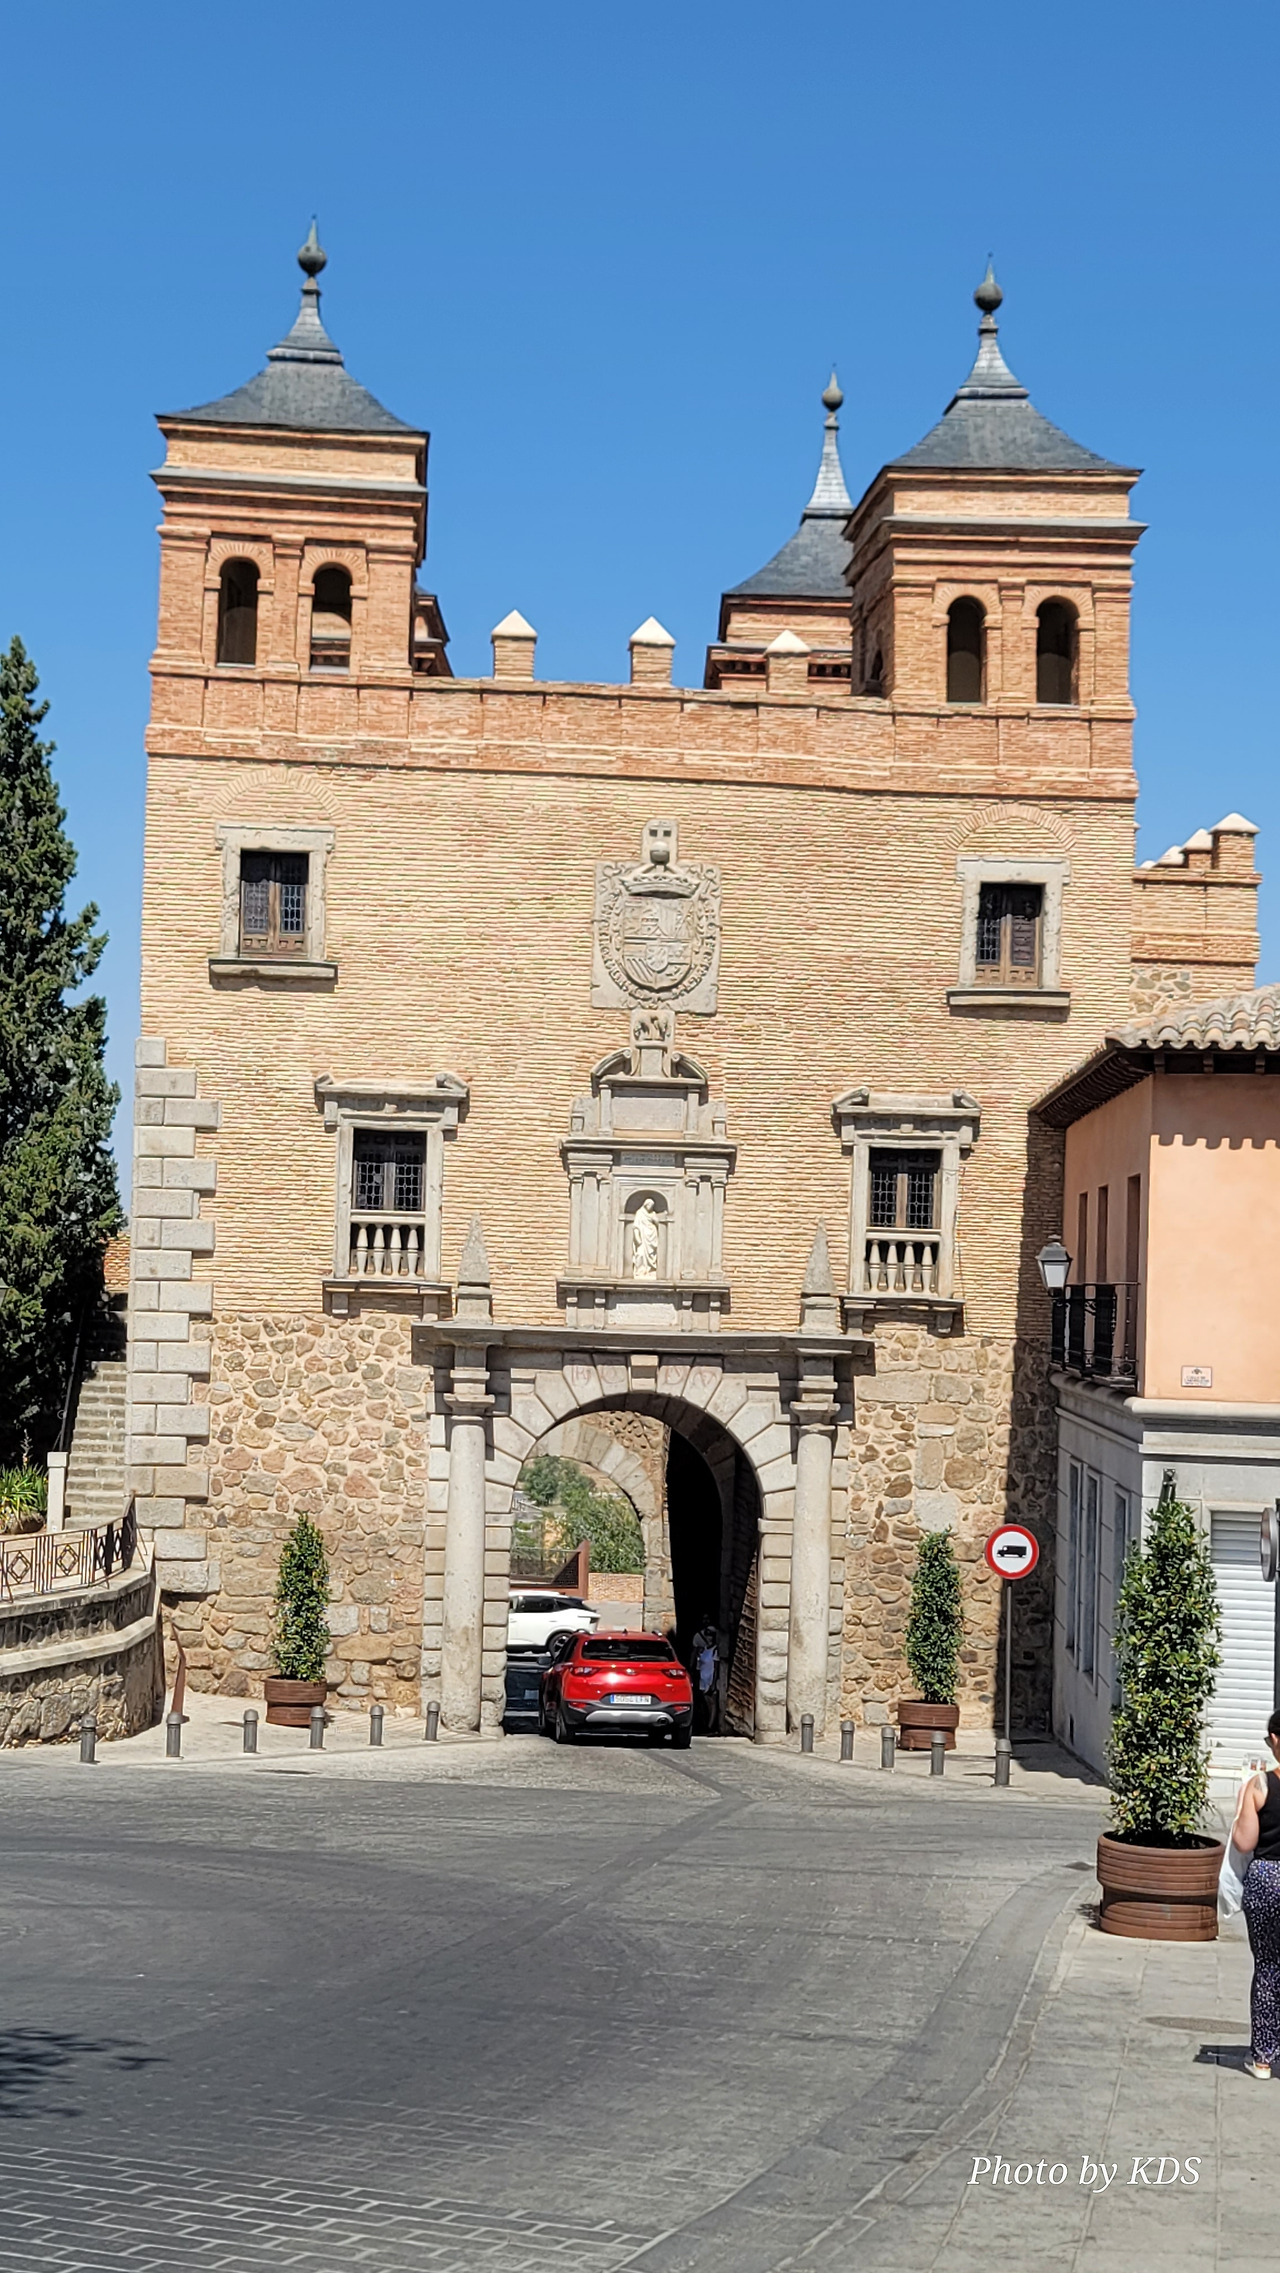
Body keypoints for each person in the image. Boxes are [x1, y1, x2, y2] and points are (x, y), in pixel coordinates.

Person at [1229, 1707, 1280, 2079]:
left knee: (1267, 1966)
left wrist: (1241, 1810)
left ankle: (1263, 2058)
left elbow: (1245, 1843)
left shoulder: (1260, 1785)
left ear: (1275, 1739)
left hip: (1267, 1878)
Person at [692, 1617, 719, 1735]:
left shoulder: (715, 1650)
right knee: (705, 1704)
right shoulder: (703, 1650)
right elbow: (698, 1665)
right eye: (708, 1635)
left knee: (712, 1704)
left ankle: (710, 1727)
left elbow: (716, 1668)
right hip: (703, 1680)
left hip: (710, 1679)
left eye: (711, 1636)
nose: (709, 1638)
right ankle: (706, 1724)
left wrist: (713, 1683)